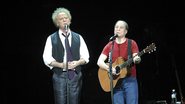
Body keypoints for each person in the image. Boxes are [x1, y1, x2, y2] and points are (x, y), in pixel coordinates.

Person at [42, 7, 90, 104]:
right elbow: (47, 58)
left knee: (74, 101)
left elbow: (85, 56)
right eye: (61, 19)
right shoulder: (51, 38)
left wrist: (78, 62)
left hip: (75, 74)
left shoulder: (78, 37)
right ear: (57, 23)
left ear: (70, 20)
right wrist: (62, 65)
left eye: (66, 18)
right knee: (60, 101)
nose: (64, 20)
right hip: (60, 75)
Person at [97, 20, 141, 104]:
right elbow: (99, 61)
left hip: (130, 80)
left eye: (121, 27)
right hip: (115, 82)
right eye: (116, 27)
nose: (118, 29)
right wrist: (109, 68)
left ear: (126, 31)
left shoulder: (131, 43)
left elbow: (136, 56)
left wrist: (137, 59)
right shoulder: (110, 45)